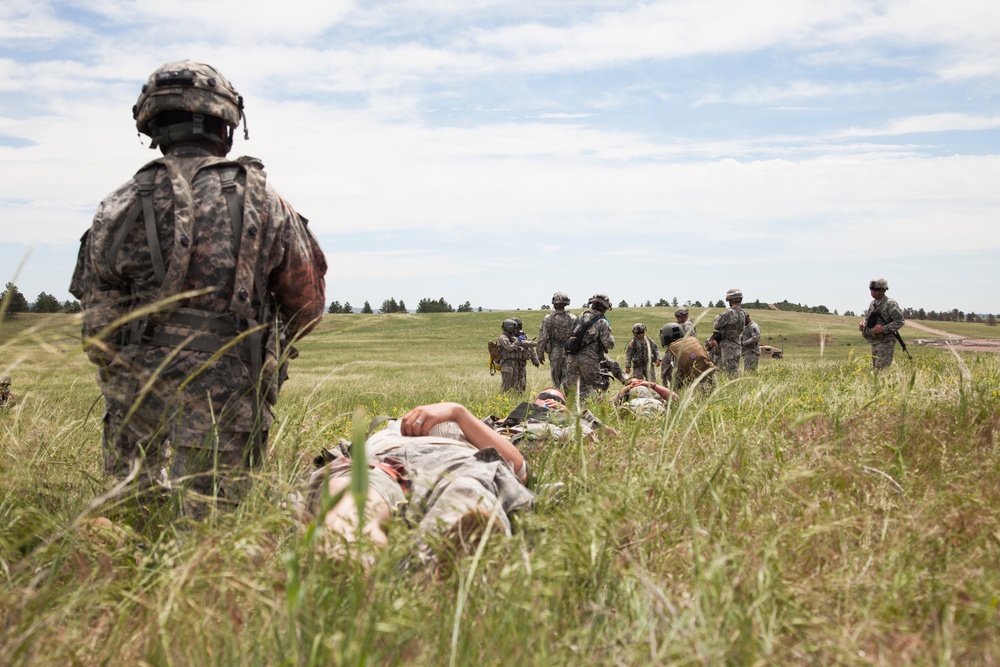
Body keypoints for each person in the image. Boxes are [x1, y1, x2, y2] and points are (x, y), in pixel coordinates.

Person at [69, 60, 327, 512]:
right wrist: (262, 352)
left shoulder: (115, 207)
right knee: (211, 538)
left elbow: (97, 326)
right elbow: (307, 305)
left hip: (133, 401)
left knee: (132, 521)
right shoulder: (265, 203)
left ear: (153, 124)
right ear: (226, 124)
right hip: (227, 403)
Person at [300, 401, 534, 566]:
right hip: (388, 459)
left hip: (456, 461)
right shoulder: (390, 431)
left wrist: (457, 413)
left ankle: (436, 565)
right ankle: (347, 557)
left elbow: (518, 467)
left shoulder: (470, 428)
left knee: (469, 498)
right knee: (354, 501)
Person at [563, 293, 615, 398]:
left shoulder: (581, 316)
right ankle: (592, 411)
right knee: (596, 389)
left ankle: (575, 412)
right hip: (589, 360)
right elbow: (609, 344)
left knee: (576, 390)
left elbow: (571, 334)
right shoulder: (602, 322)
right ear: (604, 307)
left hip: (572, 358)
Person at [859, 277, 905, 369]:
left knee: (881, 370)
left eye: (875, 289)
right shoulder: (873, 304)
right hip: (875, 341)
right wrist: (863, 324)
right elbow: (869, 318)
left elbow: (900, 321)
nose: (872, 291)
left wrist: (883, 329)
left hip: (886, 342)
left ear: (883, 290)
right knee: (876, 369)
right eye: (871, 289)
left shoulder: (890, 304)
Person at [536, 292, 576, 388]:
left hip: (555, 352)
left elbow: (543, 337)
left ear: (554, 304)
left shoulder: (548, 318)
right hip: (570, 352)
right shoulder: (573, 318)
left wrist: (540, 353)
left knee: (556, 380)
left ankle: (557, 397)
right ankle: (568, 399)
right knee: (568, 378)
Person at [660, 322, 716, 387]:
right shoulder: (692, 341)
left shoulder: (671, 352)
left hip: (694, 386)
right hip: (711, 378)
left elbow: (668, 377)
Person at [708, 288, 745, 377]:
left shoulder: (729, 313)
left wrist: (717, 317)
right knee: (734, 369)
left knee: (730, 373)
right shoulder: (742, 313)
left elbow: (716, 325)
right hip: (736, 344)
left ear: (730, 300)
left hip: (728, 346)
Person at [496, 318, 534, 393]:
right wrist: (517, 341)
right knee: (506, 385)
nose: (515, 330)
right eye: (514, 328)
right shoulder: (503, 337)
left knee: (516, 385)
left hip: (515, 364)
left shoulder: (511, 337)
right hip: (507, 364)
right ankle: (503, 399)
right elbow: (509, 348)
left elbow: (525, 343)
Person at [613, 377, 678, 417]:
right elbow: (612, 402)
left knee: (657, 409)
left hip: (653, 403)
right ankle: (640, 418)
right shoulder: (626, 392)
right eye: (632, 383)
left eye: (639, 381)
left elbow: (675, 397)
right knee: (626, 406)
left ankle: (640, 418)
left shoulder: (652, 390)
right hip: (635, 404)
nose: (636, 383)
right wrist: (625, 389)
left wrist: (652, 385)